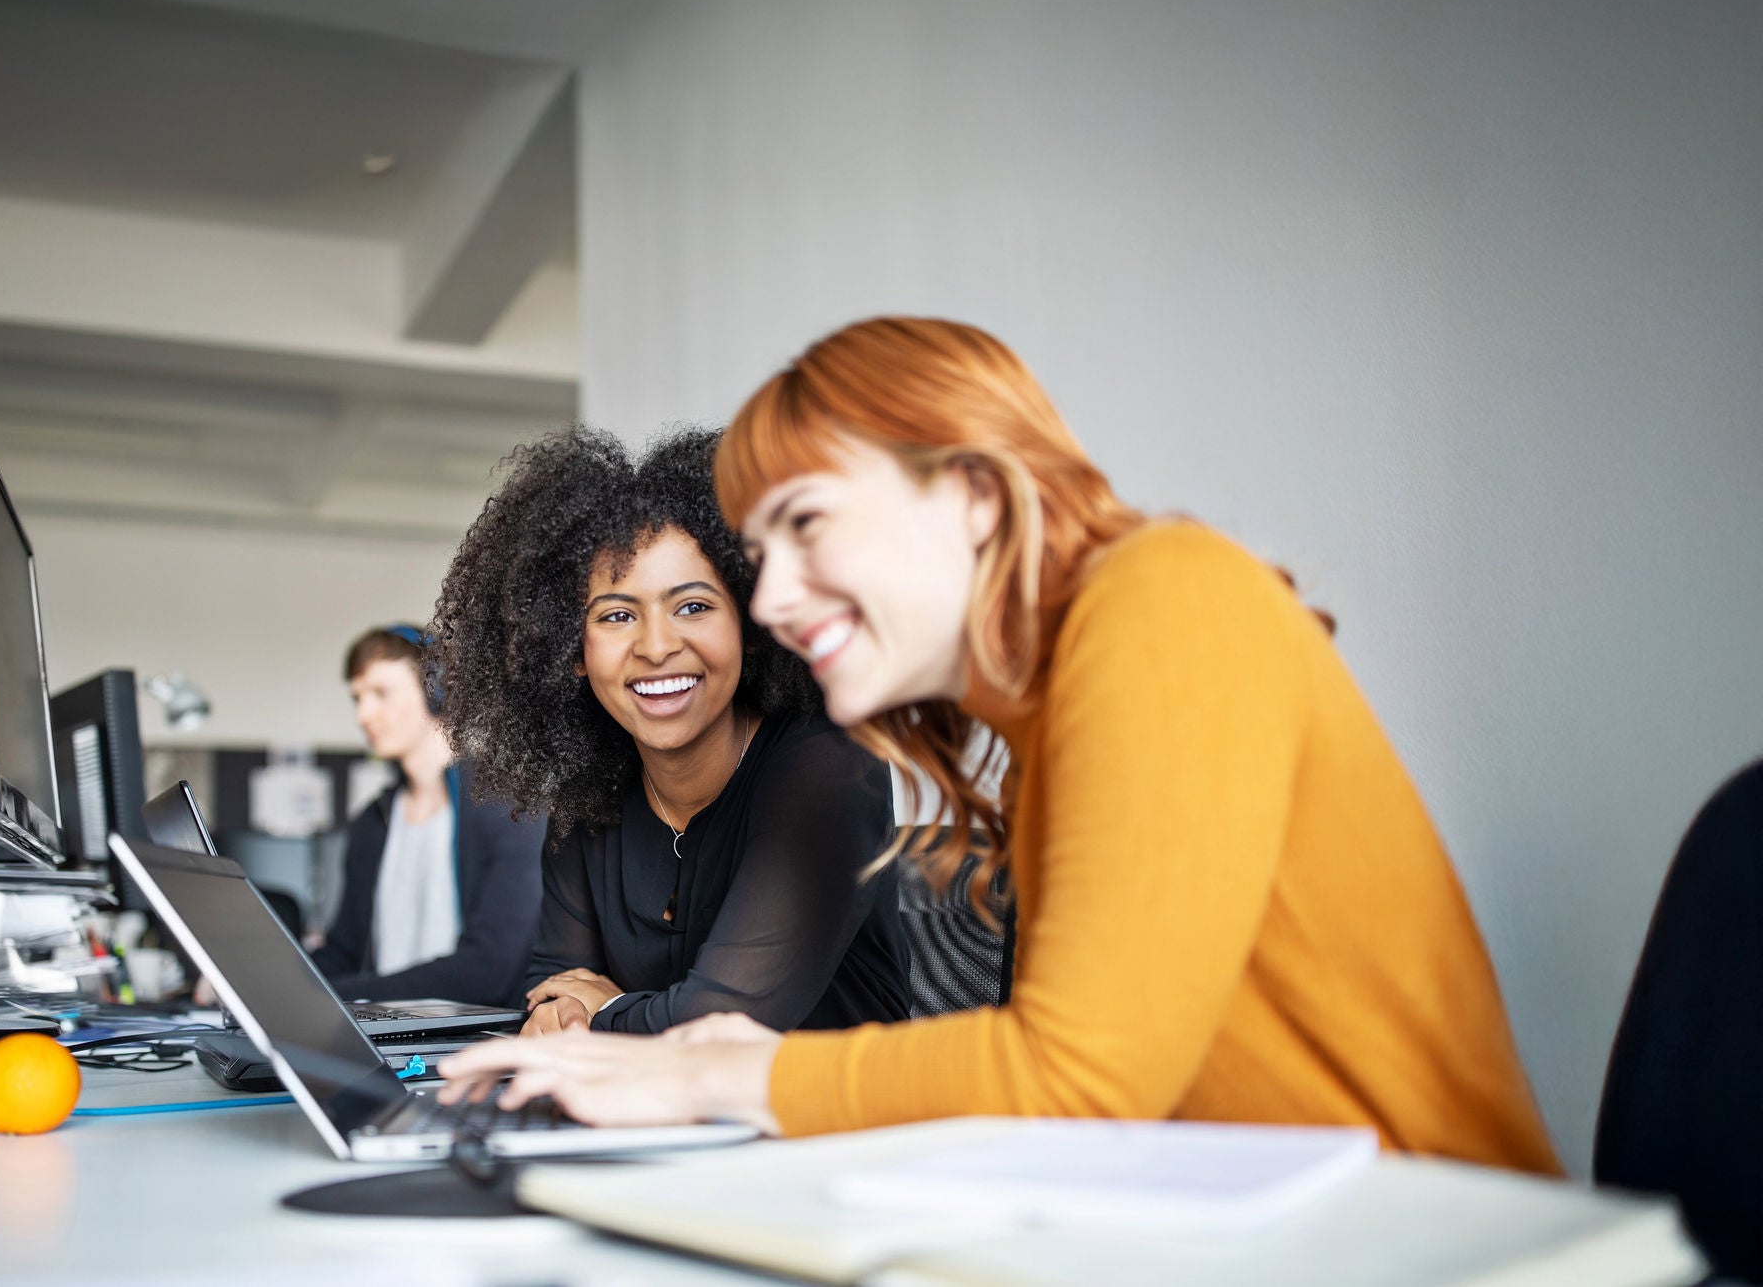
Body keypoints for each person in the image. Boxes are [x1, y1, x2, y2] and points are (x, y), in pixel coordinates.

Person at [440, 317, 1562, 1175]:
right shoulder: (1056, 702)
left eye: (807, 527)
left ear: (973, 495)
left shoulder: (1163, 601)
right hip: (1212, 1216)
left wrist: (710, 1073)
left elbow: (1079, 1074)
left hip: (1413, 1234)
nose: (771, 599)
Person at [429, 426, 910, 1037]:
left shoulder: (830, 768)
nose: (657, 647)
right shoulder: (588, 799)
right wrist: (575, 1015)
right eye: (618, 615)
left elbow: (722, 1025)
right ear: (571, 650)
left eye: (693, 606)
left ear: (751, 622)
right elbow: (552, 998)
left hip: (834, 1126)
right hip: (656, 1122)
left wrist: (602, 1010)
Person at [308, 624, 542, 1009]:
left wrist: (336, 996)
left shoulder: (508, 809)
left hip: (471, 1042)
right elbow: (343, 954)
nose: (363, 714)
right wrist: (262, 988)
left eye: (381, 693)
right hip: (379, 1039)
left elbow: (490, 971)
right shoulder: (373, 821)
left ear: (437, 690)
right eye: (357, 698)